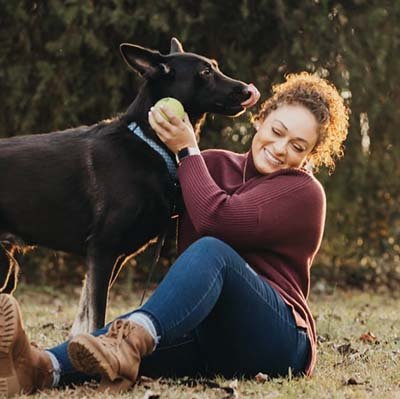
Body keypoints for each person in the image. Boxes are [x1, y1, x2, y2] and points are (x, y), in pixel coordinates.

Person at [0, 72, 348, 396]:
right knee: (106, 350)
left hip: (276, 340)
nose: (281, 147)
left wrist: (186, 149)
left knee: (210, 253)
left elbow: (217, 219)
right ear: (259, 119)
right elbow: (135, 197)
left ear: (309, 156)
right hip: (205, 335)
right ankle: (38, 367)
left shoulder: (303, 192)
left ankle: (132, 338)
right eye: (277, 130)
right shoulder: (209, 165)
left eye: (298, 146)